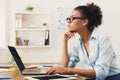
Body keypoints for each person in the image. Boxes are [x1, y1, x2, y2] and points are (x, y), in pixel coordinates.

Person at [46, 3, 120, 80]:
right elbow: (66, 66)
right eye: (68, 19)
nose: (68, 22)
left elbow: (100, 73)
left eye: (72, 18)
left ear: (84, 22)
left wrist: (67, 70)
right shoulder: (79, 44)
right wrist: (64, 41)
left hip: (112, 78)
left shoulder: (103, 40)